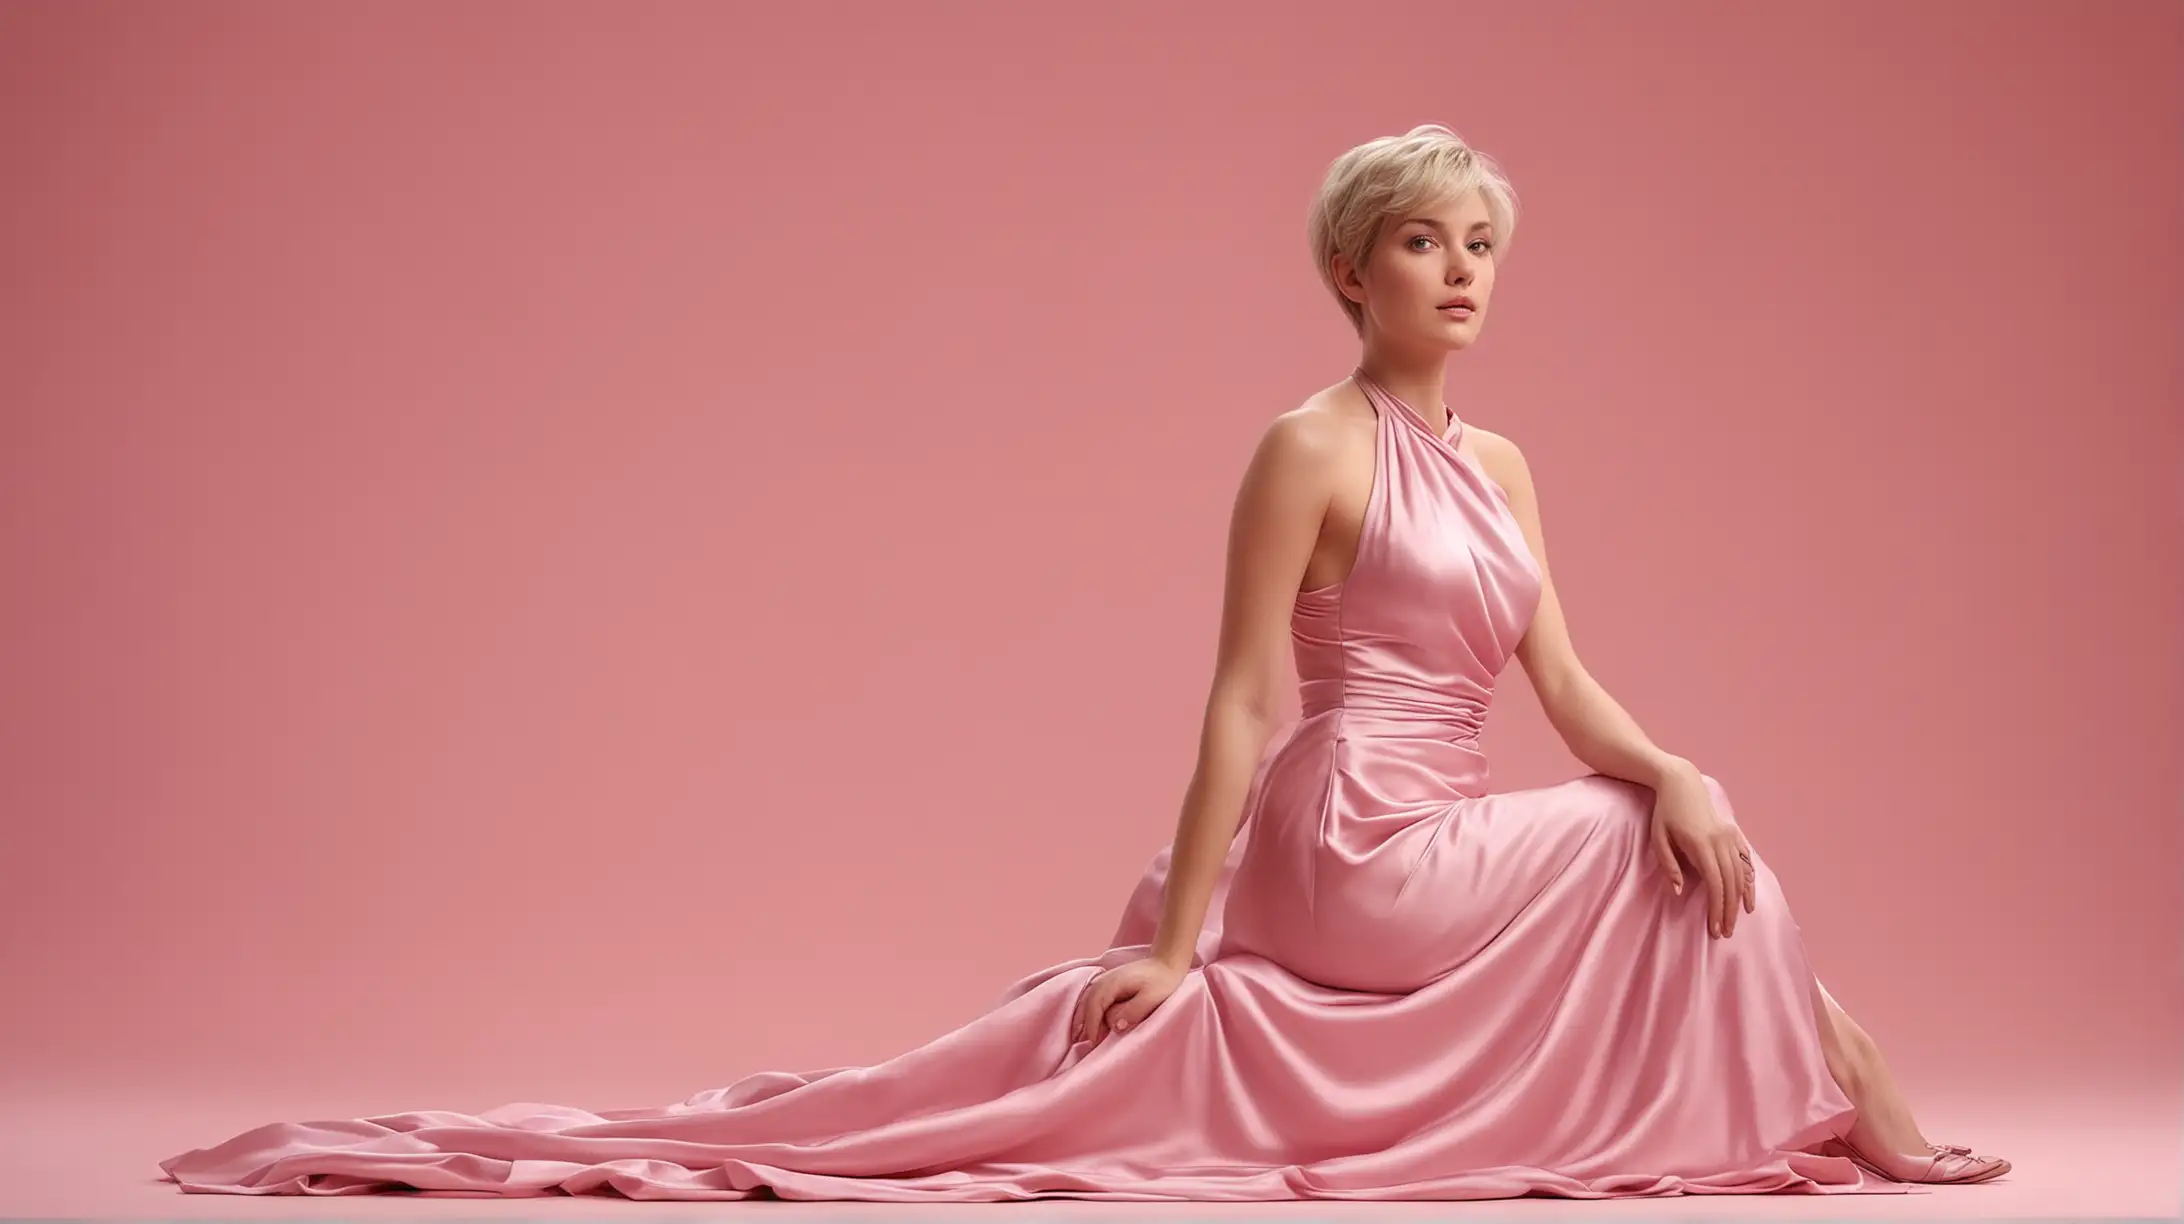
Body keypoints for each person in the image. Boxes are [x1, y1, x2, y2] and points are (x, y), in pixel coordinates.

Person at [157, 123, 2009, 1201]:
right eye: (1422, 244)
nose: (1461, 272)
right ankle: (1854, 1088)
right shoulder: (1309, 444)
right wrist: (1184, 940)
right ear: (1348, 274)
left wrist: (1668, 757)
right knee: (1654, 834)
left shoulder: (1507, 463)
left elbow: (1570, 691)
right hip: (1350, 832)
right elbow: (1240, 700)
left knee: (1674, 806)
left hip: (1447, 815)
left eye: (1482, 247)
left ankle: (1834, 1075)